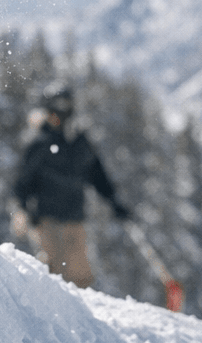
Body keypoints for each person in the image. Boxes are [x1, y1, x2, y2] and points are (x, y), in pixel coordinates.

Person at [10, 85, 131, 289]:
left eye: (65, 109)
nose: (59, 115)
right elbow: (23, 181)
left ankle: (78, 317)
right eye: (55, 110)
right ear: (47, 111)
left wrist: (114, 201)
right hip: (46, 219)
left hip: (74, 217)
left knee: (79, 275)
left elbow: (97, 175)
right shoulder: (39, 142)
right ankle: (50, 315)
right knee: (52, 271)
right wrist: (22, 209)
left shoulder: (79, 142)